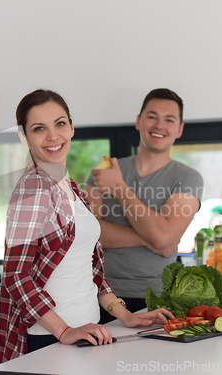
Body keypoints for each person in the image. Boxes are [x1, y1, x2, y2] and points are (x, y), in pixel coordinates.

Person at [0, 89, 174, 365]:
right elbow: (16, 275)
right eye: (39, 128)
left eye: (60, 123)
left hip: (88, 329)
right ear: (23, 137)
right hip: (51, 336)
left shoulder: (72, 187)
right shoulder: (32, 189)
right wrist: (64, 330)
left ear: (72, 128)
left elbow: (90, 268)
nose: (53, 136)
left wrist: (125, 316)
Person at [85, 88, 204, 321]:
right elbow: (89, 234)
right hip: (101, 296)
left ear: (179, 129)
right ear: (139, 122)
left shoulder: (188, 178)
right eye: (152, 116)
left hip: (157, 299)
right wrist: (152, 238)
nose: (159, 125)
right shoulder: (103, 171)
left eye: (169, 120)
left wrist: (119, 187)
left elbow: (162, 238)